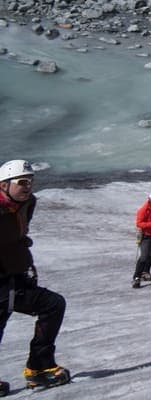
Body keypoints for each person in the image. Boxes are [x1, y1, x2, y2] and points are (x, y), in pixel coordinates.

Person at [0, 160, 70, 391]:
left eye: (30, 181)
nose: (28, 186)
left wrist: (24, 263)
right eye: (22, 182)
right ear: (4, 185)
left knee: (53, 305)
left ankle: (39, 367)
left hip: (15, 276)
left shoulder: (26, 204)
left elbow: (17, 238)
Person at [132, 189, 151, 289]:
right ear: (150, 200)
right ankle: (137, 277)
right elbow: (139, 223)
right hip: (146, 236)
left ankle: (145, 272)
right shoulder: (143, 210)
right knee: (144, 256)